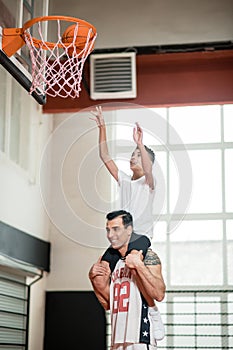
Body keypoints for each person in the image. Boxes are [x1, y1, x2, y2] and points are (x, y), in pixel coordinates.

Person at [90, 105, 165, 340]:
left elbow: (149, 168)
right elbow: (105, 156)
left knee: (134, 265)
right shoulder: (124, 180)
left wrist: (140, 144)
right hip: (121, 238)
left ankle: (152, 311)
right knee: (98, 272)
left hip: (139, 235)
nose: (133, 157)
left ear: (145, 163)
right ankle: (112, 308)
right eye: (132, 154)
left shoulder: (149, 184)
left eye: (138, 156)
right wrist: (102, 127)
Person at [89, 210, 166, 350]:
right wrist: (93, 280)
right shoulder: (114, 262)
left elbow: (159, 293)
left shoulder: (148, 256)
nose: (110, 235)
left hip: (140, 337)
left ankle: (154, 313)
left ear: (129, 230)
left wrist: (139, 265)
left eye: (116, 229)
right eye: (108, 230)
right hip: (118, 337)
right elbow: (107, 304)